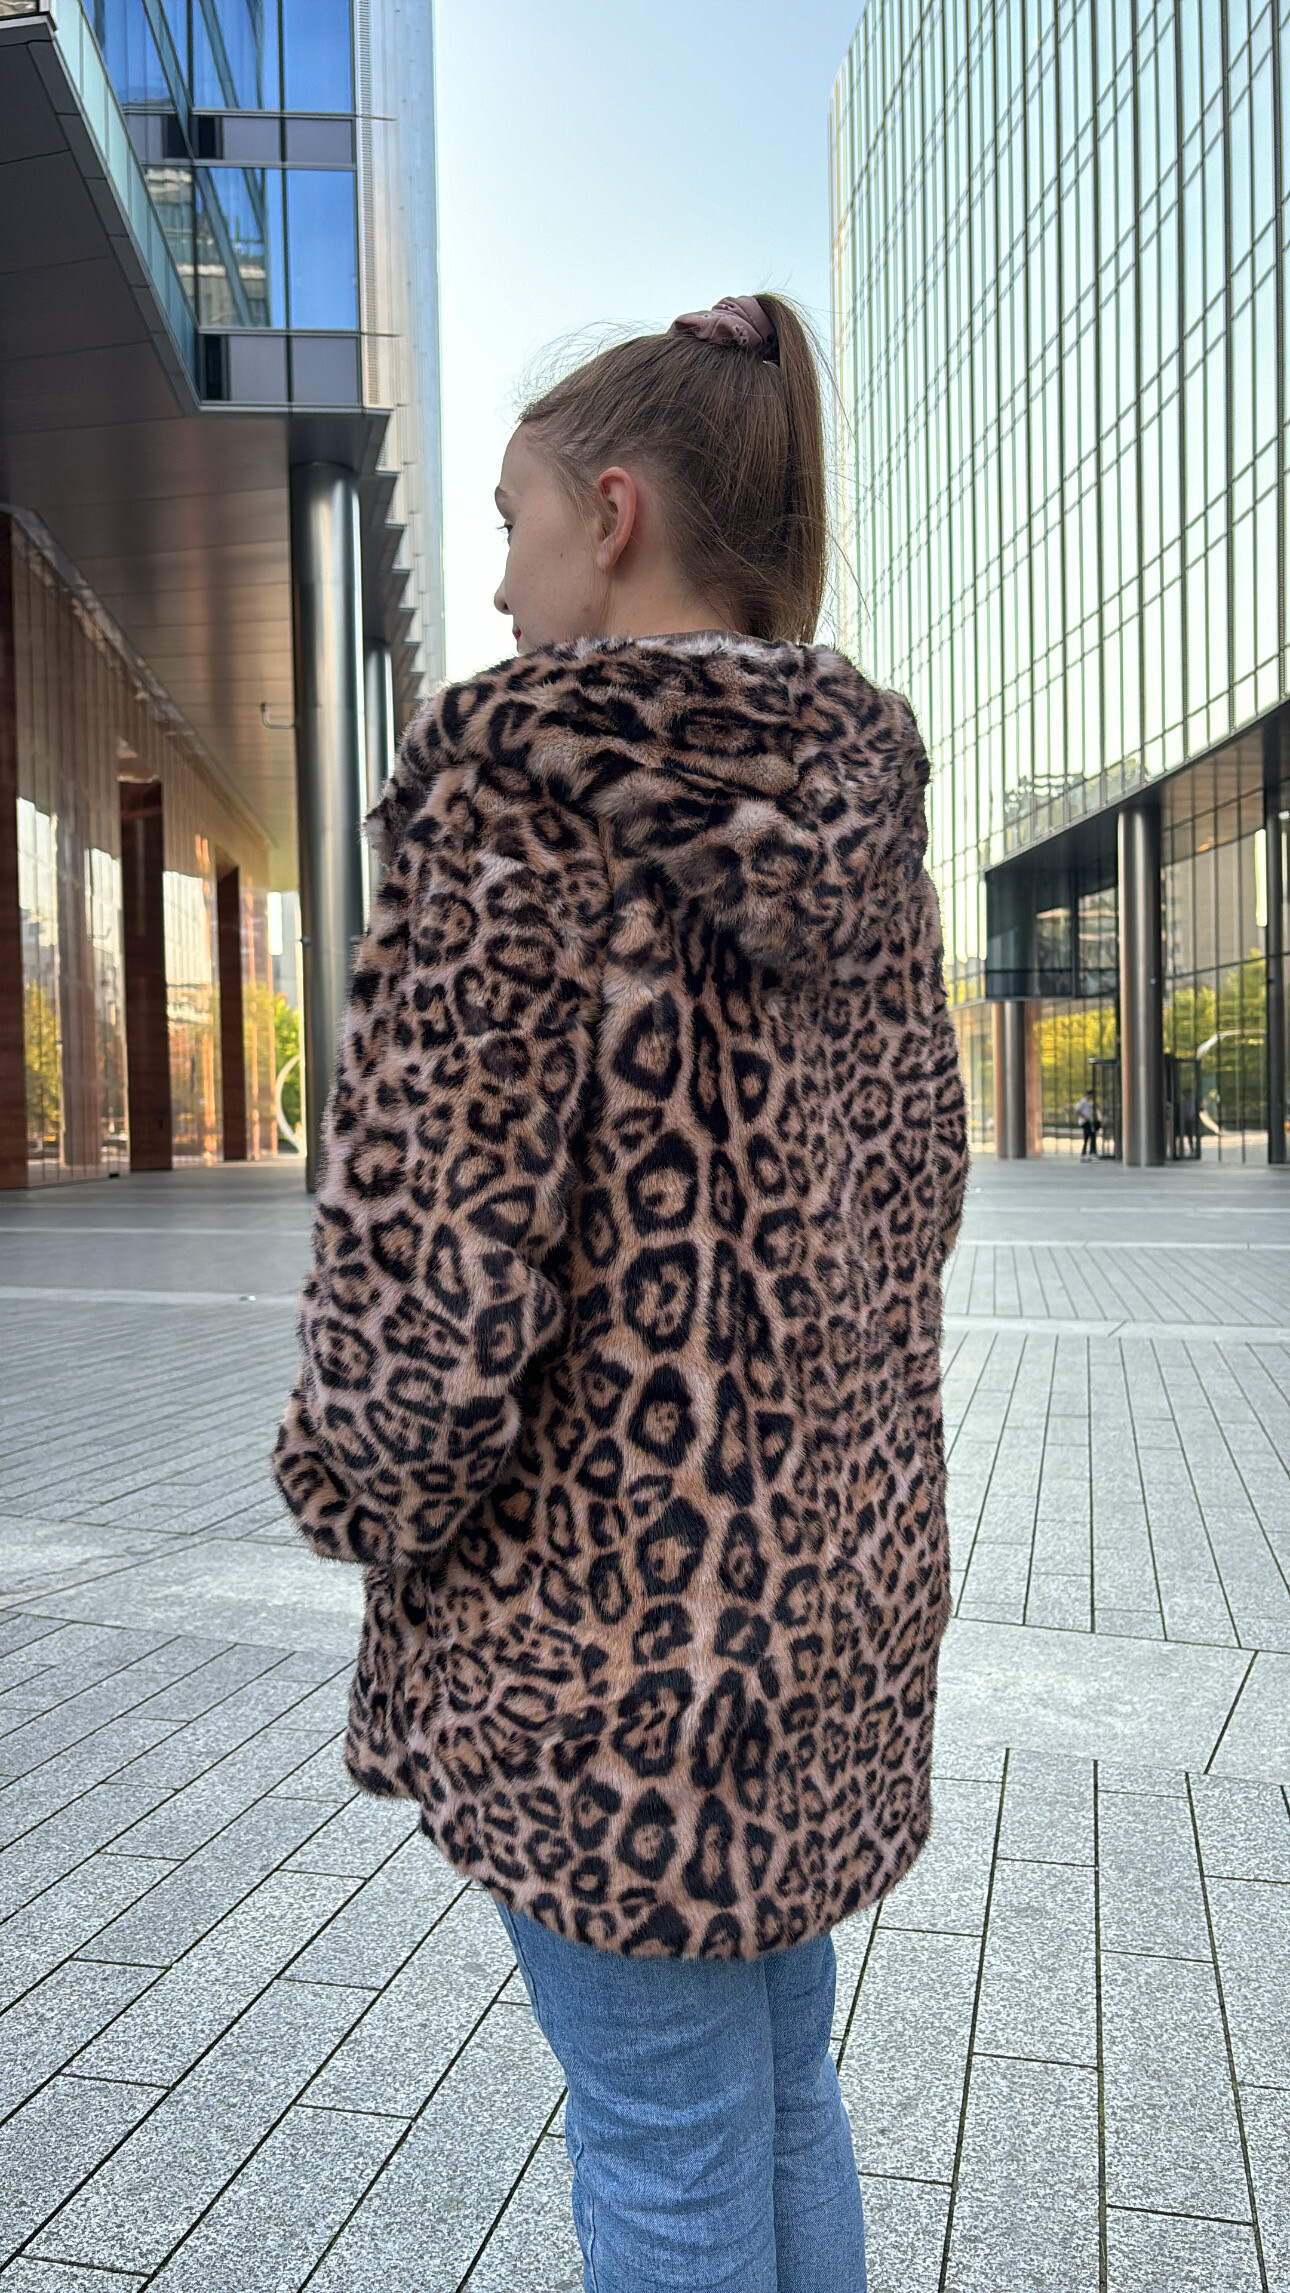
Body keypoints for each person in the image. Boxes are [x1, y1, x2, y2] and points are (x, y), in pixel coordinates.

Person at [273, 292, 968, 2293]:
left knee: (666, 2141)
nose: (498, 586)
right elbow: (921, 1189)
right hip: (823, 1612)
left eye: (510, 523)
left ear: (614, 511)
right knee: (778, 2096)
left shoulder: (515, 790)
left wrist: (355, 1489)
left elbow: (432, 1270)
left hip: (605, 1649)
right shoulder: (857, 808)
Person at [1076, 1088, 1097, 1157]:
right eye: (1091, 1095)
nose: (1092, 1097)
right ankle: (1092, 1152)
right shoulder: (1083, 1102)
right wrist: (1085, 1118)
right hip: (1085, 1122)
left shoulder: (1088, 1103)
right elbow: (1077, 1111)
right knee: (1092, 1135)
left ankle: (1084, 1153)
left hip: (1087, 1121)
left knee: (1086, 1137)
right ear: (1089, 1095)